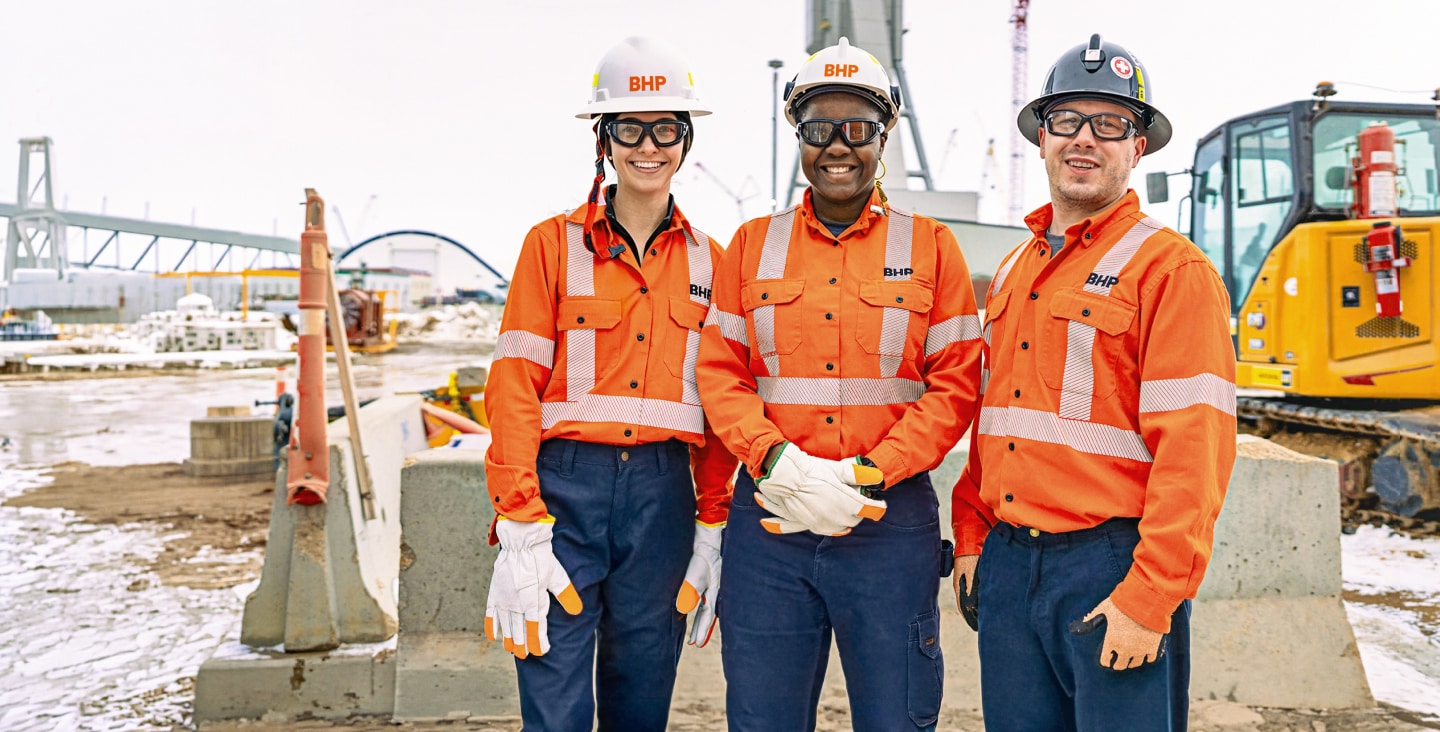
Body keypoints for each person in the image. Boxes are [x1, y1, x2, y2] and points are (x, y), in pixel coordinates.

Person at [949, 33, 1238, 731]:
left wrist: (1150, 597)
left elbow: (1195, 452)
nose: (1085, 139)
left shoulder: (1172, 272)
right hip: (1012, 564)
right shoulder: (1018, 268)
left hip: (1111, 567)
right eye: (1067, 121)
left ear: (1137, 147)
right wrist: (971, 537)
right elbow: (1000, 421)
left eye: (1110, 124)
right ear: (1041, 139)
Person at [697, 37, 983, 732]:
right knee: (763, 718)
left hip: (887, 527)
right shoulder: (750, 246)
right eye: (819, 127)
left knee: (896, 717)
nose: (838, 146)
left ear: (884, 136)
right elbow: (720, 373)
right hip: (771, 527)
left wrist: (867, 473)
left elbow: (956, 387)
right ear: (798, 134)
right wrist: (775, 458)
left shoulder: (931, 248)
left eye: (857, 128)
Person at [481, 36, 736, 732]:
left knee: (642, 693)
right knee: (554, 697)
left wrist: (711, 524)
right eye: (629, 128)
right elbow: (512, 386)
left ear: (685, 141)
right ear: (604, 138)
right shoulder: (550, 245)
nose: (647, 146)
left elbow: (721, 407)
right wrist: (519, 521)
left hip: (662, 500)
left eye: (664, 129)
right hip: (563, 495)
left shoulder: (715, 262)